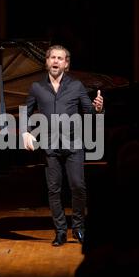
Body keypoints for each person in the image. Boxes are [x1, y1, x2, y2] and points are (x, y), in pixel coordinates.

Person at [22, 45, 103, 246]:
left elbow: (89, 112)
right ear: (47, 62)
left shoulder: (76, 86)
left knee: (78, 186)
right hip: (50, 145)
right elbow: (26, 111)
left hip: (74, 144)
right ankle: (60, 231)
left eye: (60, 58)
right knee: (54, 190)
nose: (56, 61)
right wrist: (25, 132)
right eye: (52, 58)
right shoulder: (36, 88)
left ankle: (78, 228)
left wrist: (98, 109)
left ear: (66, 64)